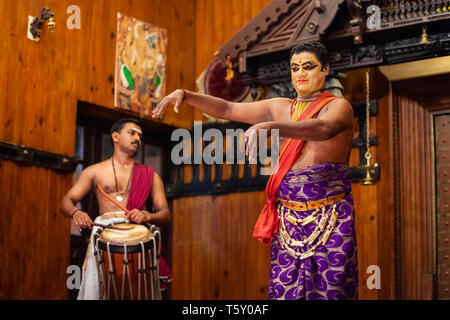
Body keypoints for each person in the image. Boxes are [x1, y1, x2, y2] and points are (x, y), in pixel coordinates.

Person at [153, 41, 357, 300]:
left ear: (325, 69)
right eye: (295, 68)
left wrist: (273, 127)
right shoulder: (281, 107)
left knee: (331, 292)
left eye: (308, 67)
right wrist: (187, 95)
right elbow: (228, 109)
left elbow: (323, 129)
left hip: (331, 216)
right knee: (286, 293)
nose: (301, 74)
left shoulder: (338, 107)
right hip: (289, 220)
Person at [61, 118, 171, 299]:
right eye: (132, 133)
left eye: (140, 135)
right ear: (115, 136)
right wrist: (76, 212)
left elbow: (165, 215)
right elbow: (67, 200)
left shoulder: (151, 175)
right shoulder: (94, 171)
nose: (137, 138)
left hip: (138, 242)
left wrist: (146, 216)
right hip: (105, 237)